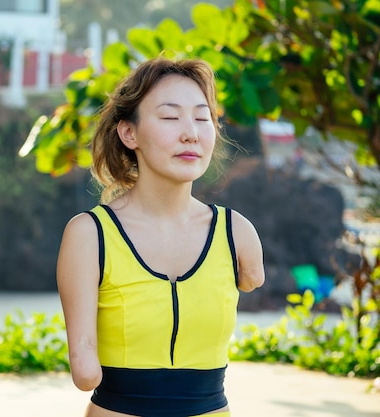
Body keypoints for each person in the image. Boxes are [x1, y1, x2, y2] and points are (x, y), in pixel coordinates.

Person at [56, 56, 265, 417]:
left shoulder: (237, 233)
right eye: (170, 117)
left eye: (203, 118)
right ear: (129, 133)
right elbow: (85, 371)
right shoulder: (89, 235)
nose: (191, 133)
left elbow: (252, 279)